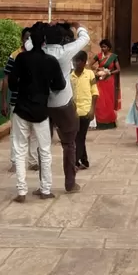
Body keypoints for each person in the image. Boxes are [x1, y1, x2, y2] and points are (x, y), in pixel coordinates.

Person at [6, 23, 64, 202]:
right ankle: (46, 189)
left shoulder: (21, 58)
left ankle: (22, 191)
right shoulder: (51, 61)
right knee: (45, 151)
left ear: (30, 40)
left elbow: (12, 82)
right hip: (41, 110)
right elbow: (60, 85)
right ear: (44, 42)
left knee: (20, 150)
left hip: (22, 107)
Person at [43, 21, 90, 192]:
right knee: (69, 144)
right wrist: (77, 25)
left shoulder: (39, 50)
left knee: (43, 144)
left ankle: (44, 185)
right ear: (63, 39)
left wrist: (46, 27)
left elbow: (28, 41)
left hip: (43, 103)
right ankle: (70, 183)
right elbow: (85, 37)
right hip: (63, 103)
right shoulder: (65, 52)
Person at [3, 27, 40, 173]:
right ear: (22, 39)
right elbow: (6, 77)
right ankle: (14, 161)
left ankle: (33, 161)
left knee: (34, 132)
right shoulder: (15, 56)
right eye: (26, 38)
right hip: (17, 99)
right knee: (16, 133)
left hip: (34, 99)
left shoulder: (38, 55)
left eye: (30, 38)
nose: (28, 41)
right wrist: (3, 101)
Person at [69, 51, 98, 169]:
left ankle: (75, 161)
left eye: (79, 61)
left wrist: (92, 110)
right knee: (77, 136)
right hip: (74, 111)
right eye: (75, 61)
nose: (77, 63)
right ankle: (84, 160)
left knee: (80, 137)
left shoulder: (90, 74)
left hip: (86, 110)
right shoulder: (71, 77)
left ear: (84, 62)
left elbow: (95, 93)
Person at [92, 39, 122, 129]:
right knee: (100, 100)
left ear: (109, 48)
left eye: (104, 47)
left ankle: (109, 121)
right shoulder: (99, 56)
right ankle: (100, 121)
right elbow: (90, 64)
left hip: (109, 80)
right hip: (100, 81)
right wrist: (98, 69)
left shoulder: (113, 57)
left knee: (109, 100)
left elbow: (118, 69)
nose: (103, 48)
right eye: (101, 47)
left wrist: (109, 72)